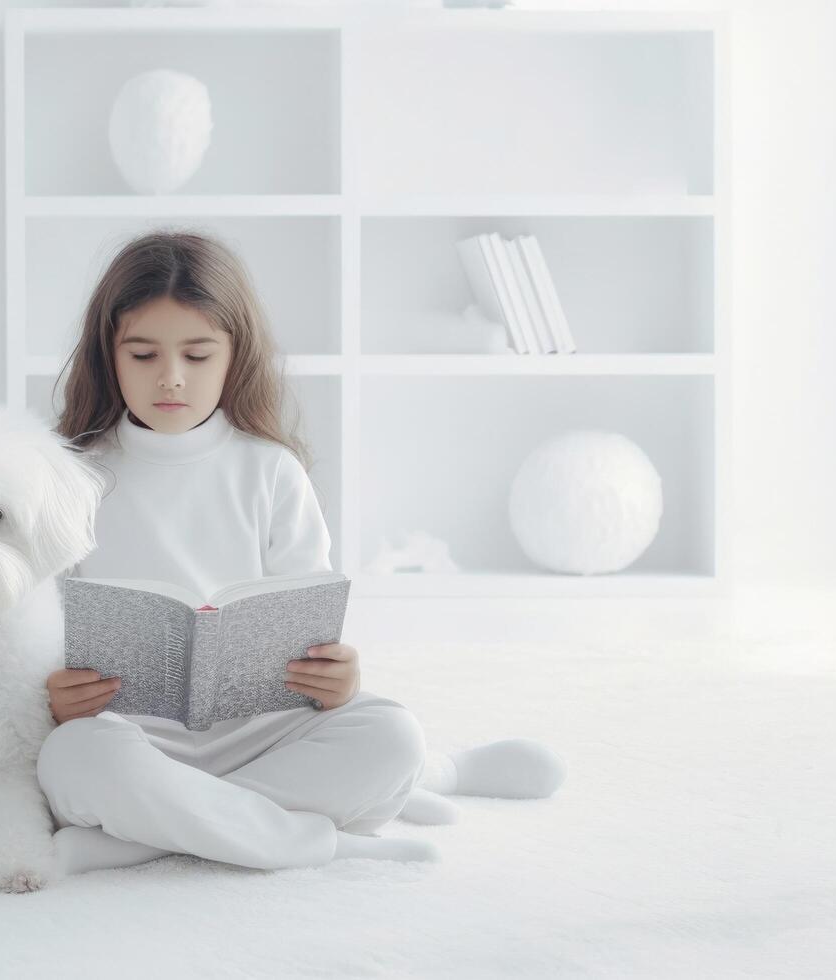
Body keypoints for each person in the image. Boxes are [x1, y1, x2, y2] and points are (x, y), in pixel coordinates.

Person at [37, 231, 567, 877]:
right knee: (72, 761)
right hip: (132, 737)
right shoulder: (67, 476)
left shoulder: (269, 470)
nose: (171, 377)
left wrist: (335, 679)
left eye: (198, 355)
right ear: (108, 356)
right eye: (143, 354)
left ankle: (144, 838)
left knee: (390, 736)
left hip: (261, 730)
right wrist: (55, 698)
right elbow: (35, 629)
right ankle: (313, 840)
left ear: (235, 357)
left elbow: (305, 617)